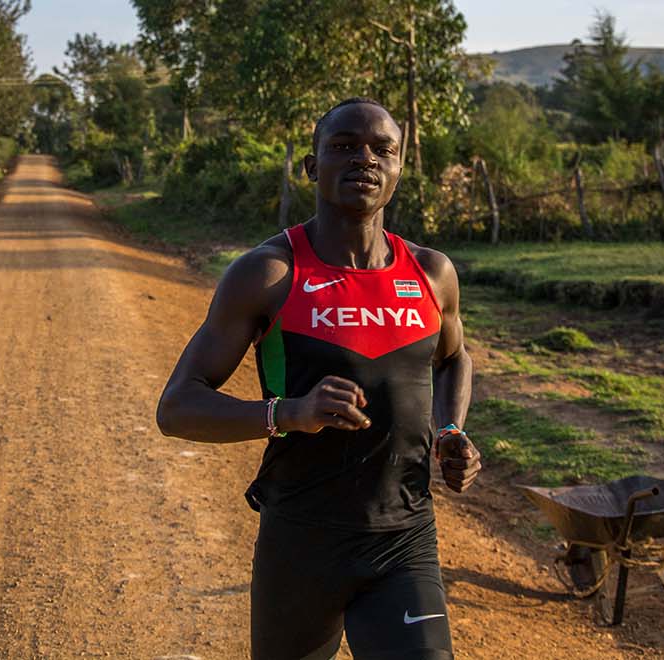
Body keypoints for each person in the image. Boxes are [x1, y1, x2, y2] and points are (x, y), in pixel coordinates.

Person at [156, 97, 479, 660]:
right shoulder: (269, 273)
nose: (365, 160)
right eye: (344, 146)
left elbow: (454, 359)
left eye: (383, 149)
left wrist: (450, 430)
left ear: (400, 168)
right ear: (311, 167)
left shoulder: (431, 273)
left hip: (403, 538)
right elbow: (178, 407)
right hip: (301, 541)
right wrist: (289, 413)